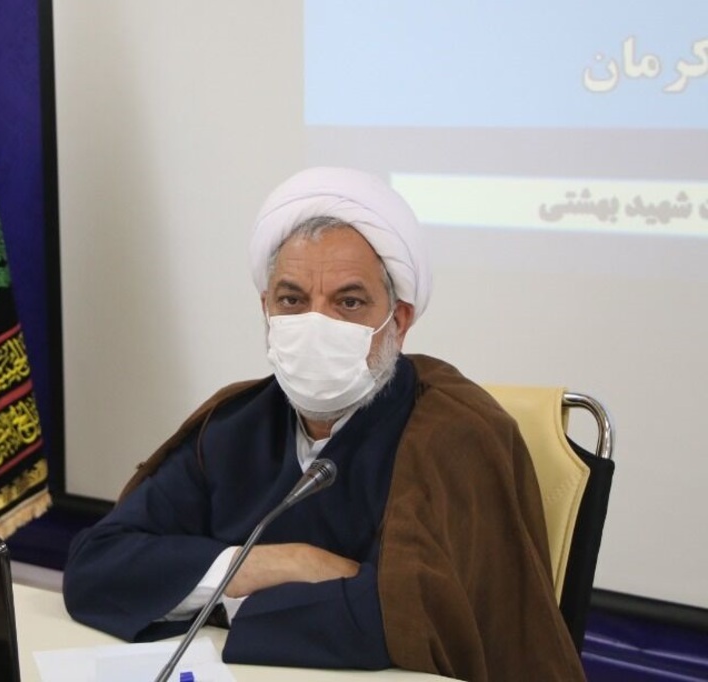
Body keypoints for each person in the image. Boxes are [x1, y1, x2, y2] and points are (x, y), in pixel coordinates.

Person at [62, 167, 585, 681]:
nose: (316, 323)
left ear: (399, 320)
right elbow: (96, 568)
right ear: (266, 309)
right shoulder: (235, 422)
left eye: (349, 302)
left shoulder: (452, 434)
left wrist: (214, 596)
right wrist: (272, 565)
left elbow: (415, 618)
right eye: (292, 300)